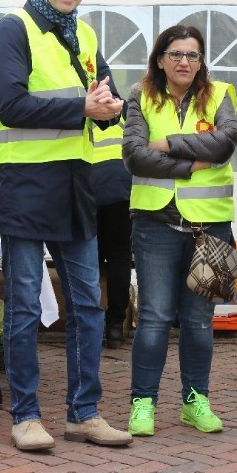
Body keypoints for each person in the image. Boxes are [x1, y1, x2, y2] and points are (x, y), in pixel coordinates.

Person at [0, 0, 132, 451]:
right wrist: (83, 107)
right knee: (24, 307)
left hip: (76, 186)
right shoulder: (13, 29)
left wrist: (114, 108)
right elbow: (11, 104)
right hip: (25, 185)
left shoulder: (85, 34)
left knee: (89, 305)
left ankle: (83, 413)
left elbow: (104, 99)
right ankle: (26, 416)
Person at [122, 25, 237, 437]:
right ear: (160, 59)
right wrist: (192, 164)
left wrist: (168, 144)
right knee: (153, 317)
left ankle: (195, 400)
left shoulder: (222, 93)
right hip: (155, 223)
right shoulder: (139, 95)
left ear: (202, 61)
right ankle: (143, 403)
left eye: (193, 55)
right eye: (176, 54)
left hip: (211, 225)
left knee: (200, 320)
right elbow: (135, 157)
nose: (184, 62)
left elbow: (224, 144)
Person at [91, 119, 133, 349]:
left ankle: (91, 325)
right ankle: (115, 327)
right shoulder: (119, 115)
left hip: (90, 190)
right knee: (119, 257)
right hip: (121, 189)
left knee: (90, 259)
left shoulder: (81, 114)